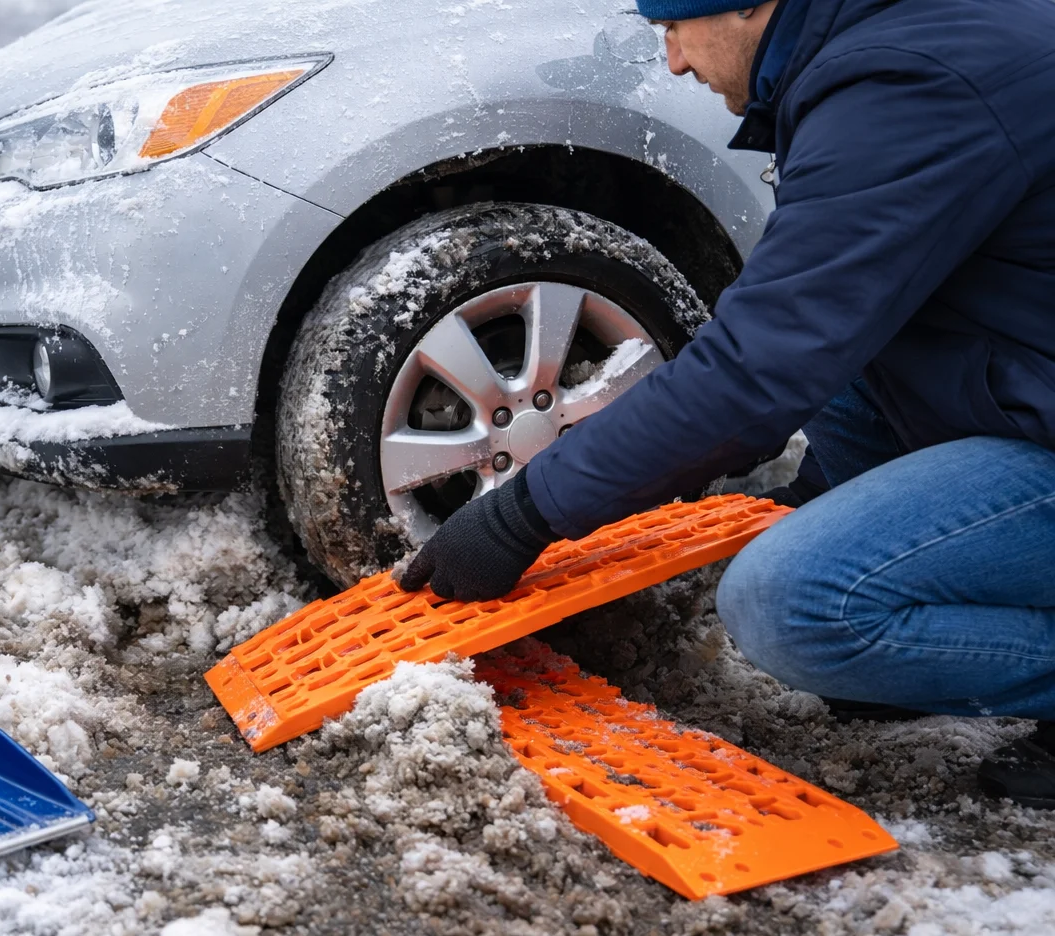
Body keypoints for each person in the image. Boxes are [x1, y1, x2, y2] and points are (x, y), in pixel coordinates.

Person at [398, 0, 1055, 808]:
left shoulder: (910, 84)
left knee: (792, 604)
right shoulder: (900, 40)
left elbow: (756, 371)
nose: (673, 61)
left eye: (673, 28)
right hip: (1026, 380)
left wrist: (524, 513)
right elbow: (821, 319)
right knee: (846, 340)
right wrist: (834, 491)